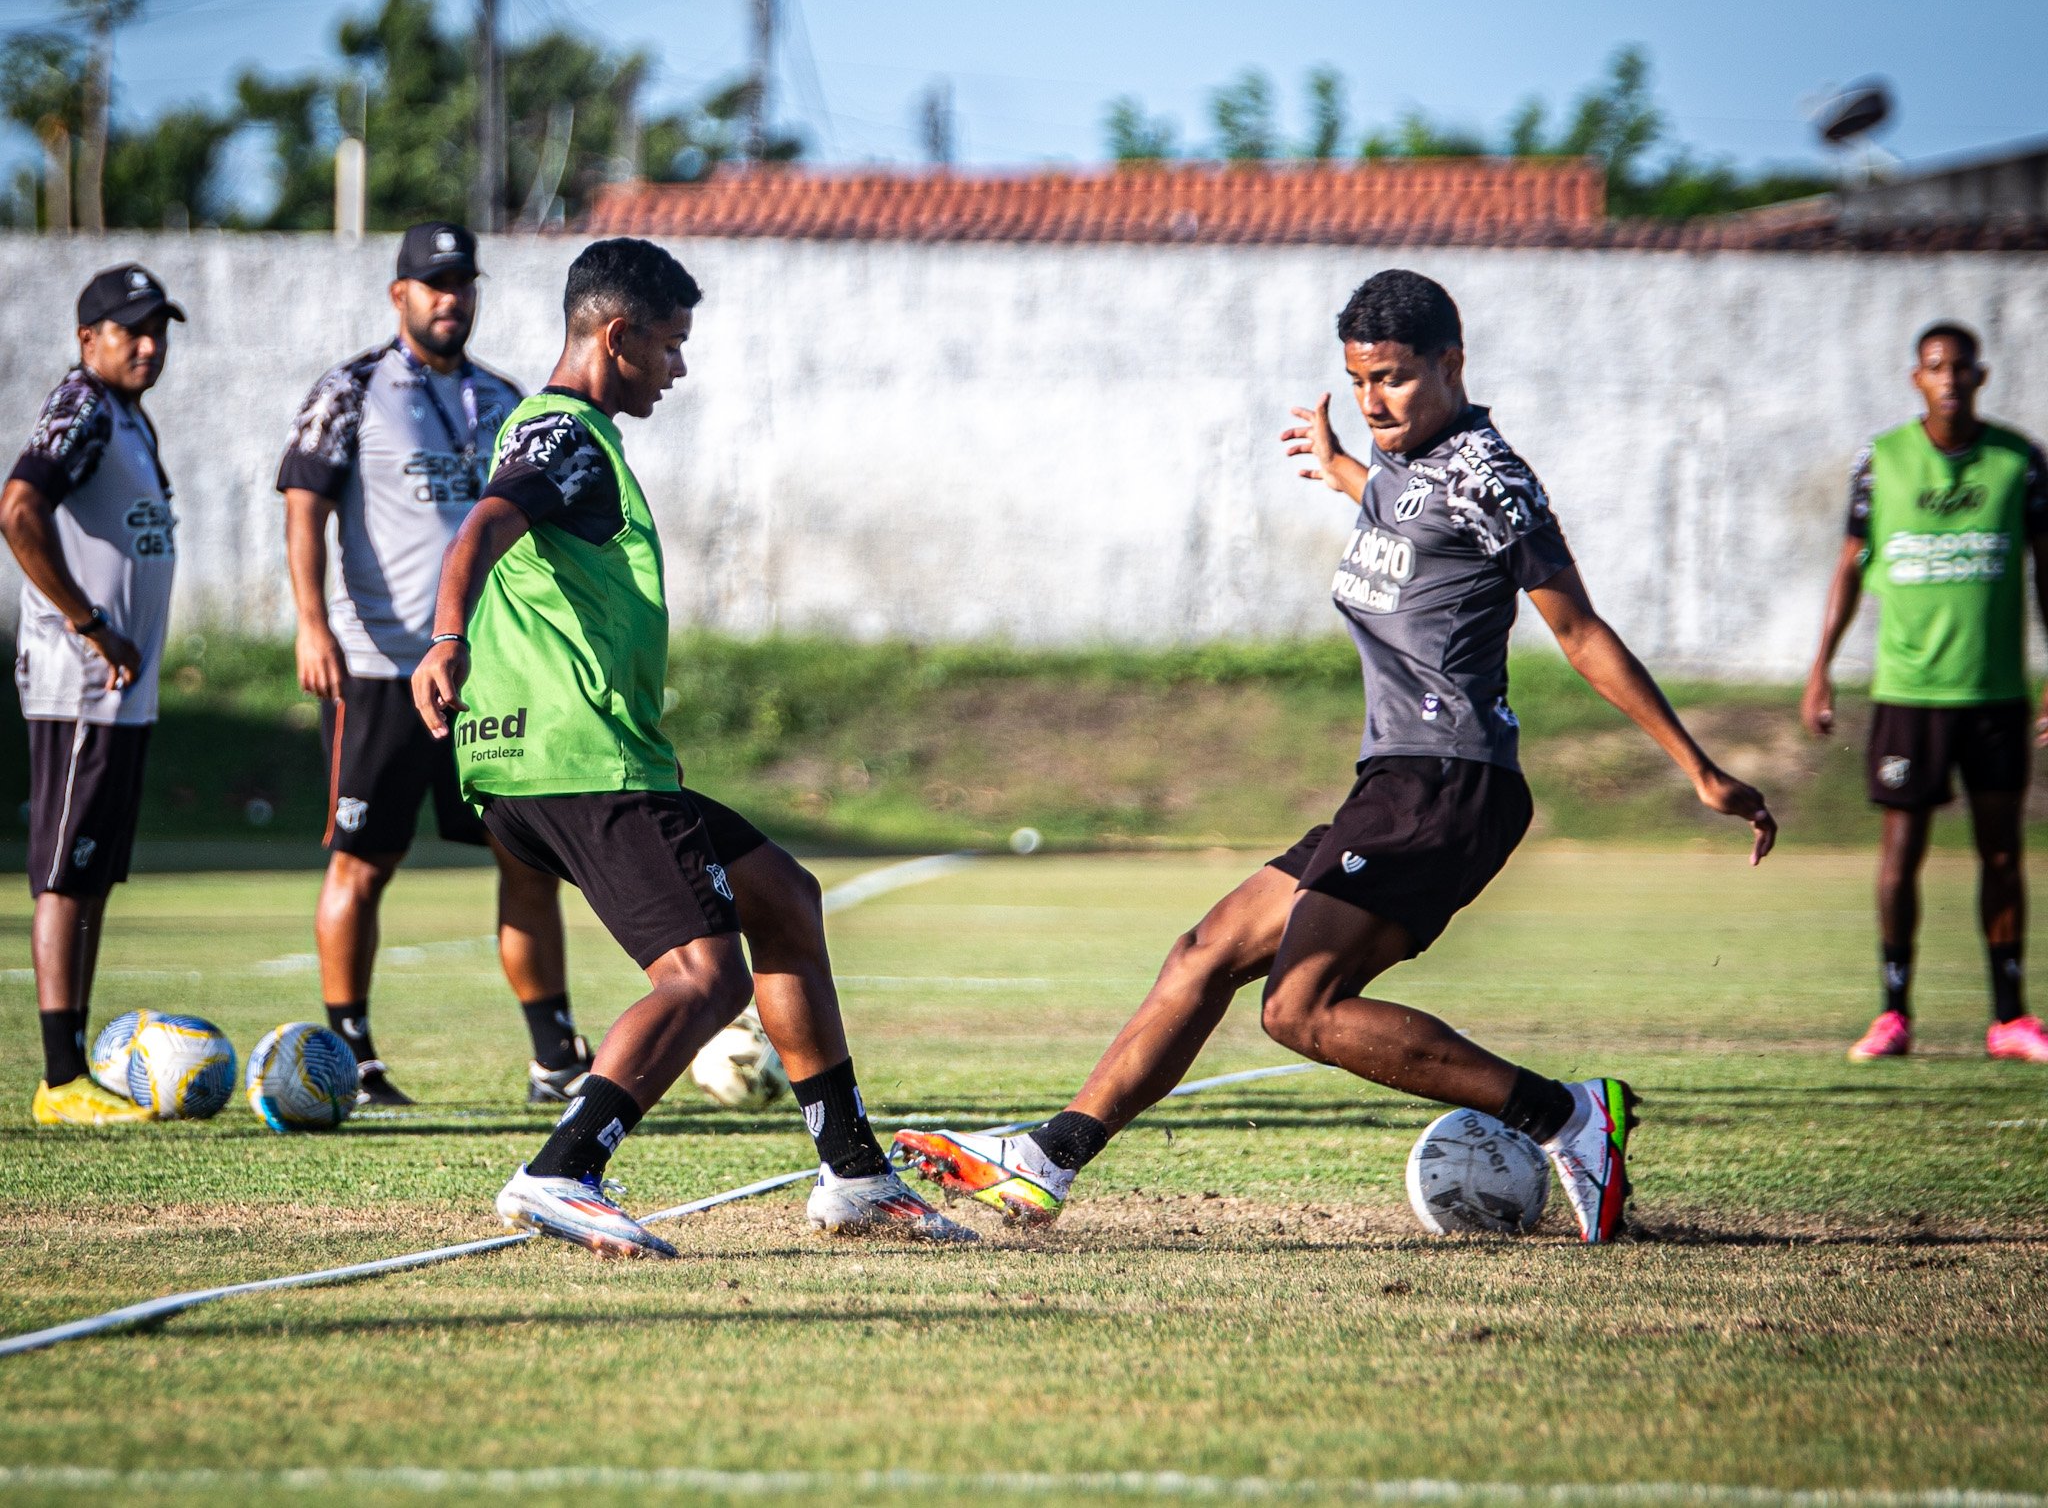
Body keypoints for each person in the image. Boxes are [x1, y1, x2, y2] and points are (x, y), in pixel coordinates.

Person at [896, 268, 1778, 1243]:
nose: (1371, 401)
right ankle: (1046, 1160)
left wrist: (1697, 768)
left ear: (1451, 364)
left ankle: (1564, 1116)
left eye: (1393, 378)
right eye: (1357, 380)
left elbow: (1577, 631)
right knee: (1204, 952)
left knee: (1299, 1010)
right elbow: (1413, 525)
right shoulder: (1398, 461)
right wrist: (1339, 469)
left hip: (1446, 782)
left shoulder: (1490, 476)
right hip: (1394, 780)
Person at [413, 236, 970, 1255]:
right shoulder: (563, 434)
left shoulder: (571, 438)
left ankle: (852, 1174)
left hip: (572, 759)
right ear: (615, 335)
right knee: (702, 978)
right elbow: (484, 523)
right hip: (577, 761)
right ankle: (563, 1169)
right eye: (669, 345)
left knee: (783, 900)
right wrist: (444, 639)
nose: (678, 367)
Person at [278, 222, 583, 1107]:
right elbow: (304, 505)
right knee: (363, 863)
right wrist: (310, 624)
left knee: (524, 857)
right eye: (433, 283)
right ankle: (353, 1057)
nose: (451, 298)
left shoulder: (504, 397)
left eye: (463, 283)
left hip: (487, 675)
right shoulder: (351, 389)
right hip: (379, 666)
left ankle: (553, 1056)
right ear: (398, 294)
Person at [1803, 322, 2048, 1064]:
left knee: (2002, 853)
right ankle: (1893, 1012)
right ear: (1918, 378)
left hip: (1996, 692)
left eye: (1961, 367)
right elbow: (1850, 566)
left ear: (1980, 376)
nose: (1948, 379)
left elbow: (2047, 573)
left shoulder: (2019, 463)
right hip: (1908, 693)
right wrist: (1822, 667)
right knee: (1900, 852)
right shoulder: (1883, 462)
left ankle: (2010, 1017)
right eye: (1935, 367)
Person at [3, 265, 184, 1124]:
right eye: (130, 330)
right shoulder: (79, 406)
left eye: (159, 330)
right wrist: (87, 621)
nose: (149, 345)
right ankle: (58, 1075)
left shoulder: (125, 414)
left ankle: (74, 1069)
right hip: (81, 685)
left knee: (95, 876)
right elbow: (18, 510)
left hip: (122, 693)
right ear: (89, 339)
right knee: (64, 875)